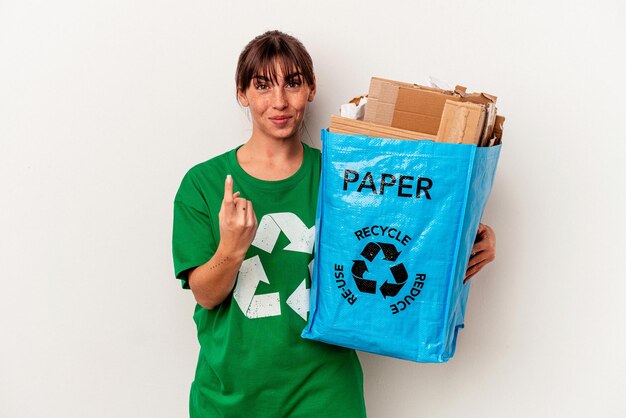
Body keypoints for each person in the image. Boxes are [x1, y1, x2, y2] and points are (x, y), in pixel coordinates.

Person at [172, 30, 496, 417]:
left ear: (310, 88)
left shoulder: (347, 177)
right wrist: (232, 246)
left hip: (325, 393)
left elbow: (405, 245)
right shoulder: (203, 184)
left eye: (292, 83)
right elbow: (206, 295)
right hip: (229, 398)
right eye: (262, 86)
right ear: (242, 94)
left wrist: (467, 245)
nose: (279, 101)